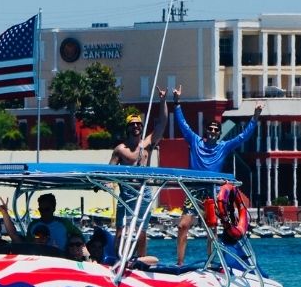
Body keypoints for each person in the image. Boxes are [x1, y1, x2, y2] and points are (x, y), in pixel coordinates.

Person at [173, 86, 262, 265]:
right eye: (210, 129)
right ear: (206, 131)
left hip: (212, 192)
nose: (213, 132)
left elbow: (243, 137)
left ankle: (211, 262)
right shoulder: (195, 141)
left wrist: (255, 117)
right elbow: (183, 125)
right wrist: (176, 103)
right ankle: (179, 264)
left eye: (216, 130)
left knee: (212, 229)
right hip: (194, 190)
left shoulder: (223, 147)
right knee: (183, 225)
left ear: (219, 134)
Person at [110, 87, 169, 256]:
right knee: (121, 231)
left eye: (138, 124)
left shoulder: (147, 144)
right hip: (126, 195)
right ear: (127, 128)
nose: (136, 126)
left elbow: (163, 123)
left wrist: (163, 100)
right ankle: (116, 258)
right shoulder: (120, 150)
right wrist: (107, 182)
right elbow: (109, 170)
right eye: (132, 124)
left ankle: (140, 262)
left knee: (141, 232)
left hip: (143, 194)